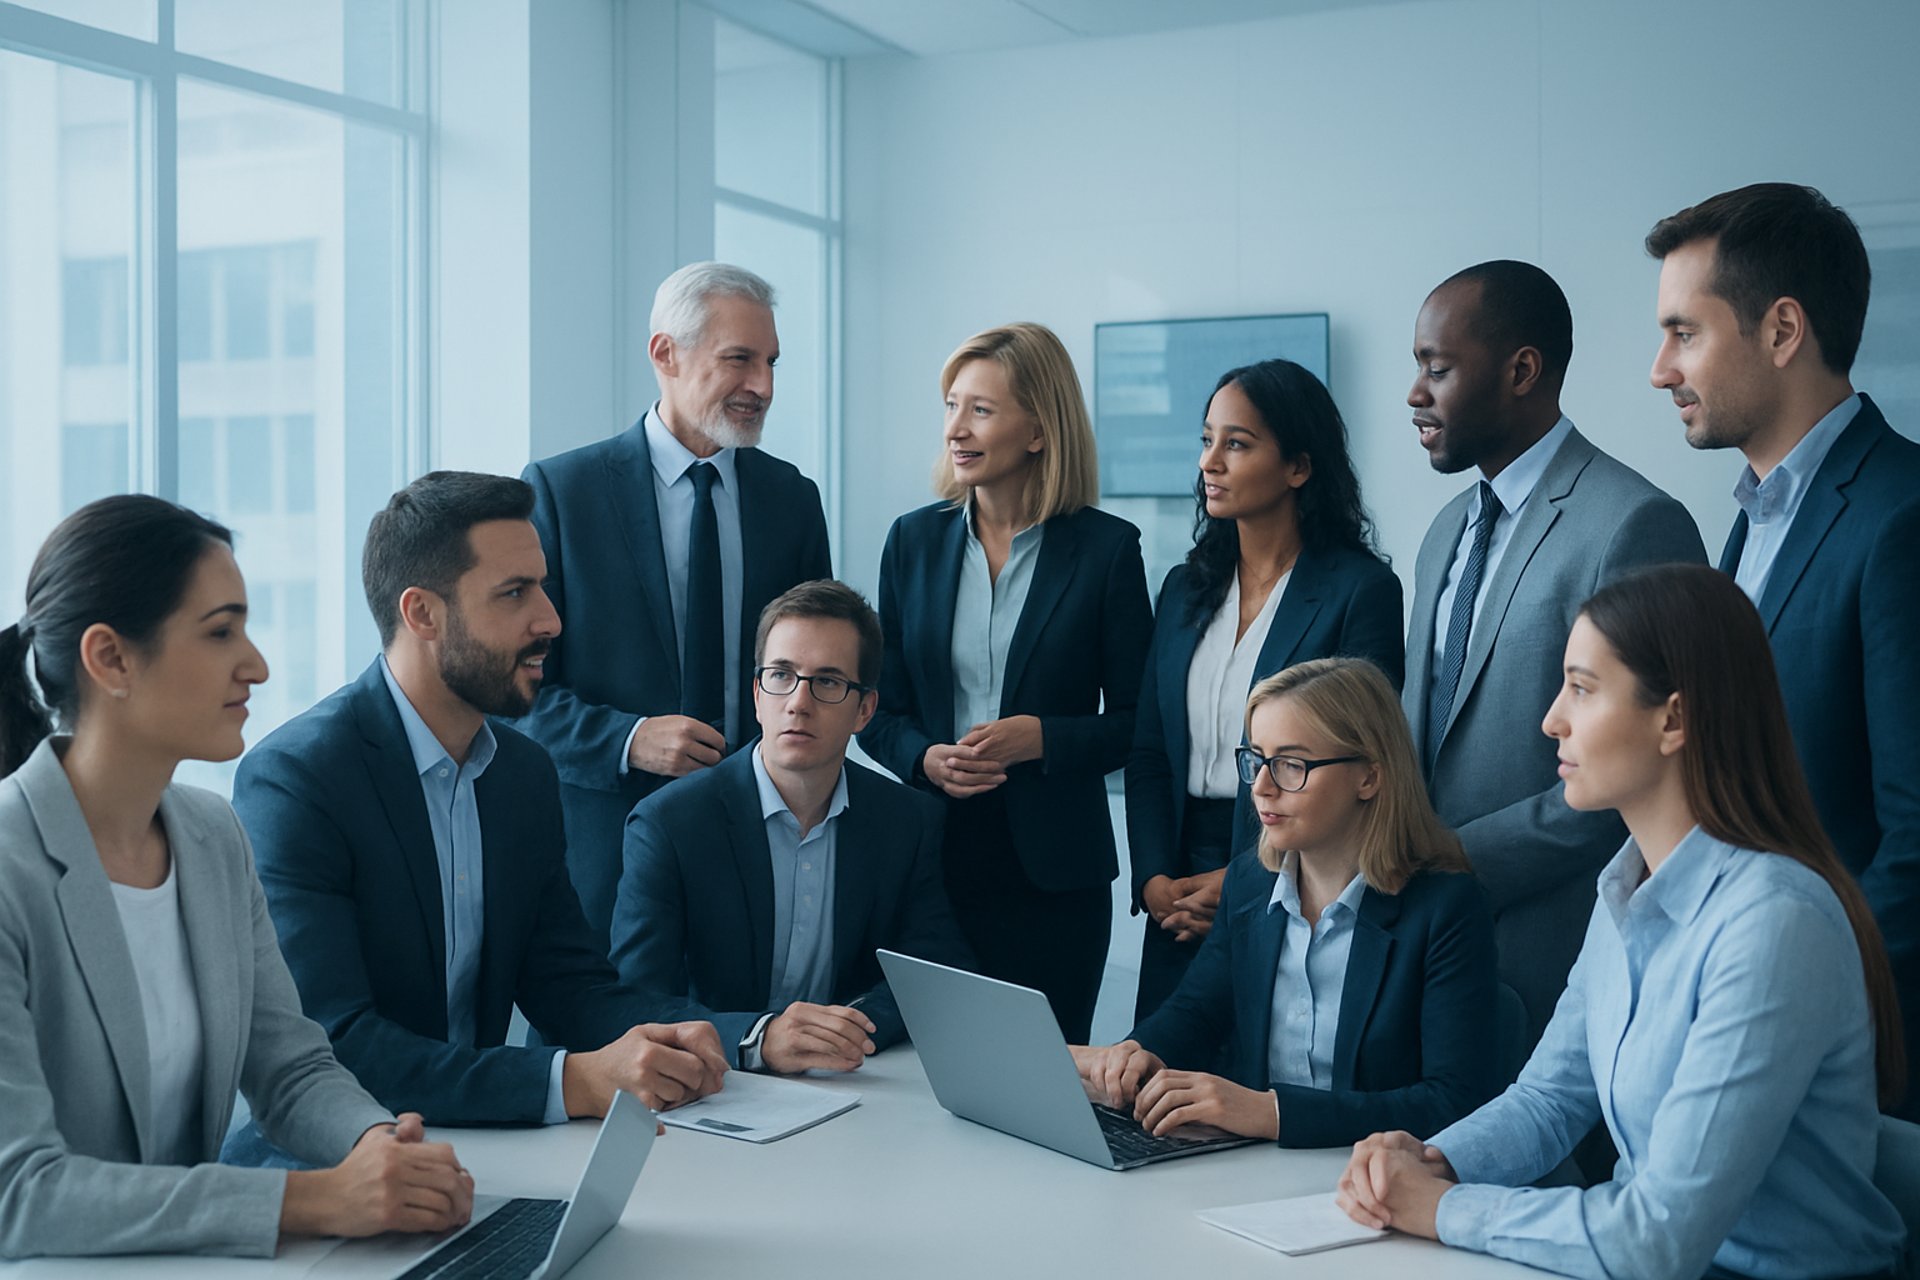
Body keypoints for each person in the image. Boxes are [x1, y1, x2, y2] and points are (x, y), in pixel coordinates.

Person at [1337, 564, 1907, 1280]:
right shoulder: (1626, 887)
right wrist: (1426, 1162)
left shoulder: (1774, 924)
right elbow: (1550, 1099)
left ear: (1673, 718)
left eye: (1581, 688)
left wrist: (1441, 1208)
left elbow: (1656, 1239)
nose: (1552, 719)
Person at [0, 496, 471, 1258]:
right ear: (111, 658)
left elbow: (289, 1067)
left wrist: (377, 1147)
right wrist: (312, 1198)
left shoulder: (212, 836)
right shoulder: (8, 864)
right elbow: (18, 1193)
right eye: (221, 632)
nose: (256, 665)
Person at [231, 472, 727, 1133]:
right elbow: (335, 1045)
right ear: (422, 614)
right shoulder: (298, 778)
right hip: (350, 1159)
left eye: (542, 586)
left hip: (490, 1141)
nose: (550, 619)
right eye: (514, 594)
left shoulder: (522, 773)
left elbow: (569, 987)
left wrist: (736, 1037)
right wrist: (574, 1079)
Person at [1647, 181, 1920, 1116]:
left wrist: (1791, 1015)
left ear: (1782, 330)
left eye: (1685, 333)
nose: (1659, 368)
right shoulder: (1751, 516)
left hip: (1845, 1061)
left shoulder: (1902, 516)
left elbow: (1915, 841)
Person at [1402, 260, 1705, 1050]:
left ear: (1521, 371)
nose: (1414, 394)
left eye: (1437, 369)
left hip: (1558, 958)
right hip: (1423, 956)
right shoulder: (1442, 534)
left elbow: (1649, 773)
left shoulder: (1634, 523)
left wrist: (1450, 860)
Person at [517, 262, 832, 942]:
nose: (764, 386)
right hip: (606, 858)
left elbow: (823, 669)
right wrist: (629, 739)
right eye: (739, 360)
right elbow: (517, 691)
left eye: (772, 362)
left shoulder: (792, 500)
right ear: (665, 353)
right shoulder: (562, 494)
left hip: (761, 851)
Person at [859, 322, 1154, 1044]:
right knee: (934, 1066)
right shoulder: (912, 541)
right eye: (952, 406)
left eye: (981, 410)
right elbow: (876, 706)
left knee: (1047, 1073)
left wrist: (1042, 739)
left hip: (1055, 876)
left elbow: (1140, 722)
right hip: (931, 854)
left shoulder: (1107, 551)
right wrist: (923, 756)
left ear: (1039, 430)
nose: (957, 429)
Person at [1078, 659, 1497, 1147]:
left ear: (1369, 778)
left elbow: (1454, 1101)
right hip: (1251, 1171)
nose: (1261, 786)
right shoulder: (1250, 883)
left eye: (1292, 765)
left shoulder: (1446, 907)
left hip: (1373, 1180)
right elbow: (1197, 1012)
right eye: (1256, 760)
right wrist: (1137, 1052)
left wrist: (1268, 1112)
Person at [1127, 359, 1404, 1022]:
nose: (1210, 463)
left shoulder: (1359, 592)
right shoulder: (1183, 588)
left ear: (1299, 467)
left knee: (1255, 1088)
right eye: (1205, 440)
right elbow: (1149, 751)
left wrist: (1249, 874)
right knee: (1154, 1089)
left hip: (1292, 867)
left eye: (1237, 443)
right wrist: (1153, 879)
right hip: (1176, 887)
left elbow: (1362, 764)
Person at [612, 581, 976, 1072]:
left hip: (850, 1086)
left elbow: (935, 970)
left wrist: (846, 1027)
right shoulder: (670, 824)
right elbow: (635, 999)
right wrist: (758, 1037)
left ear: (864, 710)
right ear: (757, 693)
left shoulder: (906, 821)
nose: (798, 703)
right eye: (781, 675)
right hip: (713, 1086)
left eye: (827, 682)